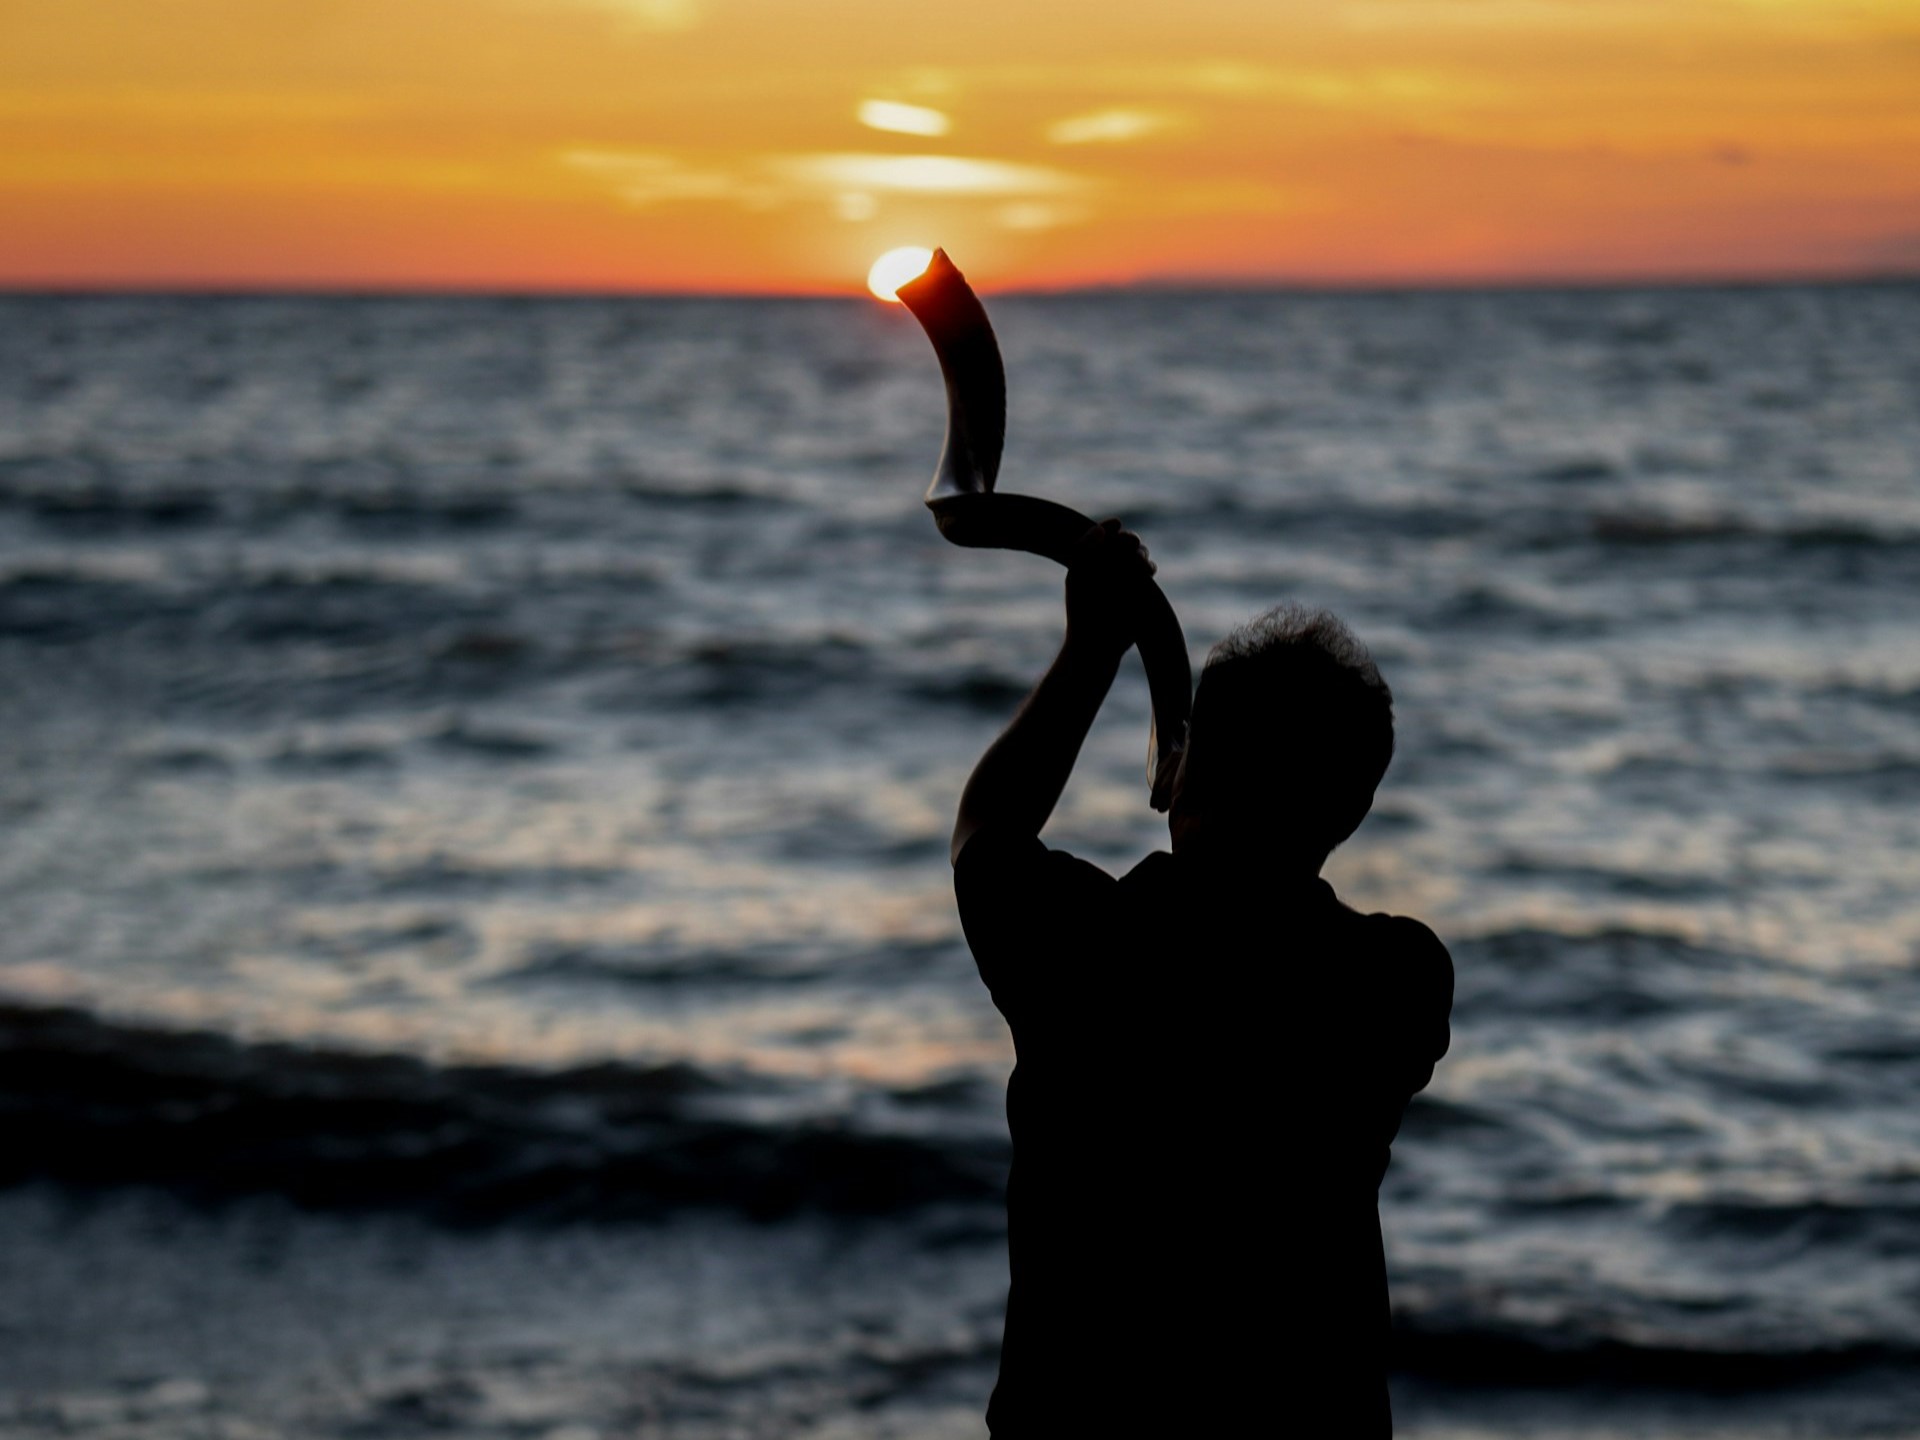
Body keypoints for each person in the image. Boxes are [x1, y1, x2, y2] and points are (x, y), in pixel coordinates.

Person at [952, 520, 1453, 1436]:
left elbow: (987, 826)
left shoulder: (1079, 949)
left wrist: (1093, 649)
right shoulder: (1397, 982)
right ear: (1355, 808)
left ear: (1180, 769)